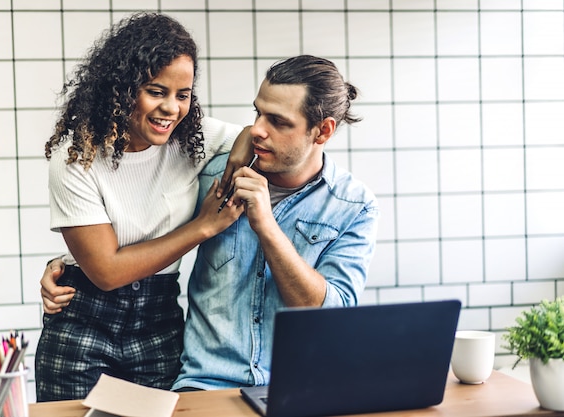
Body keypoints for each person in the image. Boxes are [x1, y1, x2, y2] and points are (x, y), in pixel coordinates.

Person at [41, 55, 379, 391]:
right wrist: (69, 264)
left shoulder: (353, 207)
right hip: (205, 385)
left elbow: (331, 318)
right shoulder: (213, 177)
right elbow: (142, 220)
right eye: (258, 113)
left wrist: (267, 226)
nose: (258, 130)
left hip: (302, 387)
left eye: (278, 121)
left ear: (322, 131)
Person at [35, 12, 252, 402]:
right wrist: (203, 227)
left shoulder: (191, 139)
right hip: (82, 324)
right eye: (156, 91)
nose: (172, 108)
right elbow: (105, 270)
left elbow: (259, 135)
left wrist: (243, 145)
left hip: (159, 324)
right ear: (121, 89)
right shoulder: (77, 156)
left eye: (182, 95)